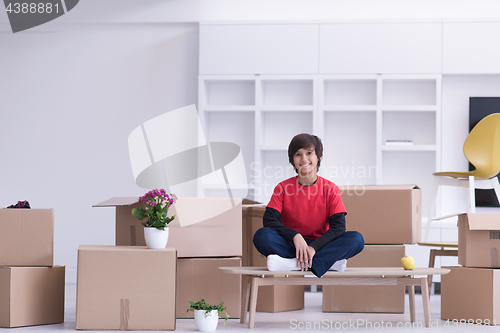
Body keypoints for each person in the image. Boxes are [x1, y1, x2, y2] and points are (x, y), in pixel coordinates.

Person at [252, 133, 364, 278]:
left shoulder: (330, 188)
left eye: (309, 153)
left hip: (321, 245)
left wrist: (313, 248)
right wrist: (295, 236)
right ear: (292, 160)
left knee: (356, 239)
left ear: (319, 157)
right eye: (298, 154)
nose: (304, 159)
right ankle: (327, 262)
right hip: (292, 244)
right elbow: (269, 221)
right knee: (262, 235)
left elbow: (338, 228)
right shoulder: (282, 187)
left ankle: (292, 263)